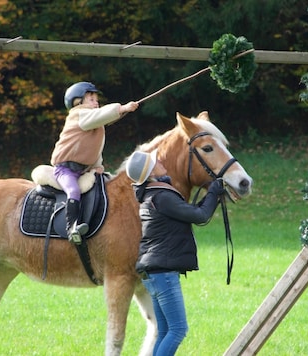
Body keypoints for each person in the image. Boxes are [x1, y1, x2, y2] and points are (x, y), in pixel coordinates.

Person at [126, 150, 225, 355]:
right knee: (178, 329)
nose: (160, 160)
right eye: (155, 161)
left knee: (164, 332)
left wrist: (211, 196)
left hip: (152, 273)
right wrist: (214, 192)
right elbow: (200, 216)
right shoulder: (162, 196)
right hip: (163, 274)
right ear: (151, 171)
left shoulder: (151, 195)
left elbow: (192, 213)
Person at [51, 81, 139, 244]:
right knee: (73, 190)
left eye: (96, 99)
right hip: (65, 170)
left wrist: (98, 166)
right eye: (91, 99)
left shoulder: (95, 122)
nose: (96, 102)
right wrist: (122, 108)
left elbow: (94, 147)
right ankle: (72, 227)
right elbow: (100, 115)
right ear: (78, 103)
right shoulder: (79, 115)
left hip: (84, 170)